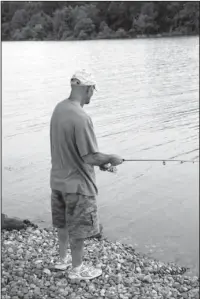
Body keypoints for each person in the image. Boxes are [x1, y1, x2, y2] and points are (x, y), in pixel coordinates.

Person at [50, 70, 124, 280]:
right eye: (92, 90)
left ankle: (62, 260)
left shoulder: (59, 109)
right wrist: (110, 158)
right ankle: (77, 269)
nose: (92, 95)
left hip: (57, 181)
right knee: (79, 230)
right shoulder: (82, 117)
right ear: (87, 88)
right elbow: (90, 156)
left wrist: (101, 163)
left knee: (63, 223)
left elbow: (74, 151)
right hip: (78, 187)